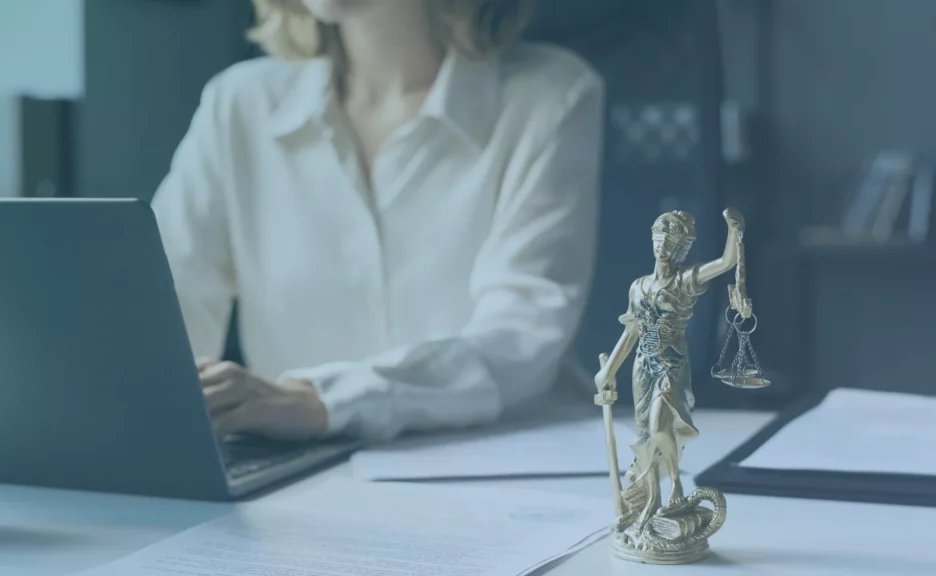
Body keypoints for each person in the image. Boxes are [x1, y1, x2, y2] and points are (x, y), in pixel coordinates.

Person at [152, 0, 605, 443]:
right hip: (304, 481)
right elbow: (160, 307)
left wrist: (322, 400)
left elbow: (522, 336)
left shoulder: (549, 95)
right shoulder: (239, 105)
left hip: (512, 473)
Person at [593, 209, 745, 528]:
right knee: (646, 437)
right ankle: (650, 504)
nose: (662, 246)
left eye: (670, 241)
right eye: (659, 239)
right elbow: (631, 333)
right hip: (642, 368)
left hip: (671, 365)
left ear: (680, 248)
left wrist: (735, 232)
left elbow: (725, 263)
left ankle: (675, 483)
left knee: (662, 428)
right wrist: (607, 373)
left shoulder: (684, 282)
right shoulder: (638, 287)